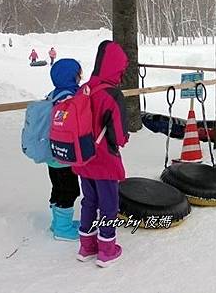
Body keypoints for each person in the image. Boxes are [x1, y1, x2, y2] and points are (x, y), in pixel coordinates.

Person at [74, 40, 129, 267]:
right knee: (108, 203)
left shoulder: (84, 88)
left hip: (83, 157)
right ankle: (107, 249)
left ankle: (86, 246)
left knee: (89, 200)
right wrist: (123, 139)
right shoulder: (112, 95)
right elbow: (118, 135)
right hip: (104, 160)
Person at [46, 59, 83, 240]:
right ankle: (63, 228)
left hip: (52, 153)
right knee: (69, 190)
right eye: (78, 73)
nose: (80, 76)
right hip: (65, 154)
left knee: (58, 187)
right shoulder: (71, 97)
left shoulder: (53, 94)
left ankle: (57, 223)